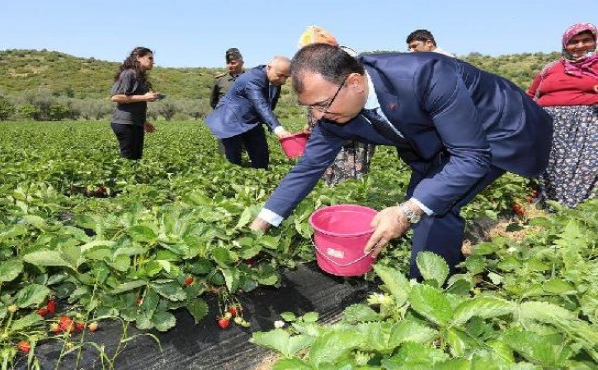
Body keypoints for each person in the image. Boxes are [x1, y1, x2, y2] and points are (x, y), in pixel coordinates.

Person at [250, 43, 553, 279]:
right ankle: (446, 274)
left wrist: (409, 211)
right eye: (309, 108)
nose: (317, 116)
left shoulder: (426, 75)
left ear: (355, 82)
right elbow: (307, 168)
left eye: (321, 105)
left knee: (430, 207)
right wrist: (263, 222)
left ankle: (428, 295)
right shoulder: (333, 114)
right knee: (425, 202)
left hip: (497, 128)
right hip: (433, 141)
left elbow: (471, 157)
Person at [526, 22, 598, 208]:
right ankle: (556, 208)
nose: (580, 45)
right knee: (553, 167)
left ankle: (578, 210)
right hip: (550, 124)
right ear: (565, 44)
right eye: (574, 41)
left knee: (585, 167)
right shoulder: (551, 68)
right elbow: (530, 95)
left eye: (586, 40)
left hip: (588, 124)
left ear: (594, 41)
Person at [299, 26, 375, 186]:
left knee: (351, 167)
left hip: (352, 124)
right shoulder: (311, 69)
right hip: (327, 125)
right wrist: (312, 123)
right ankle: (332, 194)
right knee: (327, 165)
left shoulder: (349, 64)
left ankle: (350, 198)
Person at [204, 56, 292, 169]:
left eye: (286, 77)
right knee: (232, 162)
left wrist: (271, 125)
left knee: (261, 157)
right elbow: (260, 105)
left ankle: (261, 180)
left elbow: (269, 105)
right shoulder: (253, 79)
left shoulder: (274, 80)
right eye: (280, 75)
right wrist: (278, 129)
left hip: (251, 121)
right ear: (269, 67)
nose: (283, 81)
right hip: (230, 121)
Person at [110, 47, 162, 160]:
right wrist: (144, 97)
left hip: (135, 123)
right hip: (124, 123)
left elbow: (134, 101)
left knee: (136, 159)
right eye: (150, 58)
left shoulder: (140, 77)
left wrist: (143, 122)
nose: (153, 61)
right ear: (138, 57)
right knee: (129, 160)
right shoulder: (128, 74)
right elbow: (115, 97)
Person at [210, 48, 245, 156]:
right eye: (228, 63)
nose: (230, 65)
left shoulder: (251, 79)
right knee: (226, 158)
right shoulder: (220, 81)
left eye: (233, 63)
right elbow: (213, 101)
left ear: (242, 62)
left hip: (246, 123)